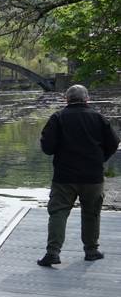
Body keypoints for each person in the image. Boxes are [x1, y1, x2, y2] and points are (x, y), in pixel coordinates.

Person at [38, 85, 119, 266]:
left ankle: (53, 252)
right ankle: (91, 251)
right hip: (92, 176)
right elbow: (114, 143)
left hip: (64, 176)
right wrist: (100, 159)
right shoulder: (98, 118)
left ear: (66, 99)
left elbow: (47, 148)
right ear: (87, 99)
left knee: (58, 212)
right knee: (92, 213)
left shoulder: (57, 118)